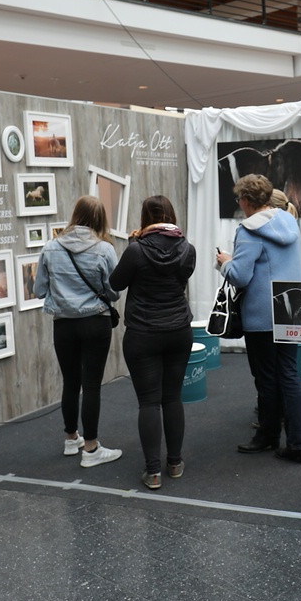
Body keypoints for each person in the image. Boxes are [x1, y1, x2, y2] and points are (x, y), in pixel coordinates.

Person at [216, 174, 301, 463]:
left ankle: (267, 437)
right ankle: (298, 443)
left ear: (245, 201)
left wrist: (224, 263)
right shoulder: (288, 221)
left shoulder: (248, 230)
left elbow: (241, 276)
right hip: (292, 310)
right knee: (289, 376)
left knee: (267, 379)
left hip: (262, 314)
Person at [109, 195, 196, 490]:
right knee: (172, 397)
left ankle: (153, 472)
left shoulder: (135, 251)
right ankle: (174, 463)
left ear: (145, 218)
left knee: (149, 402)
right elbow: (180, 280)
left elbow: (116, 284)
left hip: (143, 333)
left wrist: (133, 247)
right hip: (178, 330)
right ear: (171, 215)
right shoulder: (188, 249)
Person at [34, 195, 123, 468]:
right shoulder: (105, 250)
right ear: (99, 220)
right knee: (92, 385)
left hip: (63, 324)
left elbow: (39, 291)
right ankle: (92, 449)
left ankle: (71, 439)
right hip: (95, 322)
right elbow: (114, 293)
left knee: (71, 382)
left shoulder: (50, 248)